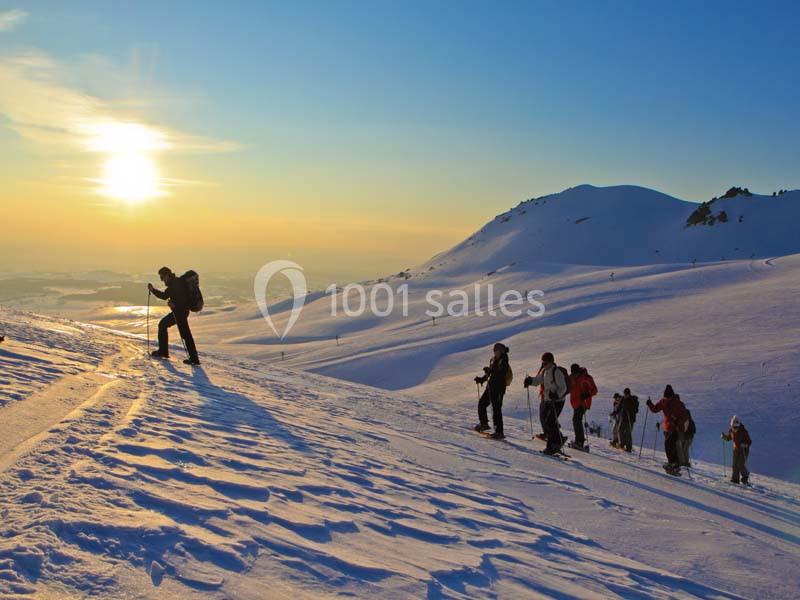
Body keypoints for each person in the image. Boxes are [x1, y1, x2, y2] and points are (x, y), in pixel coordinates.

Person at [148, 266, 200, 365]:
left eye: (162, 277)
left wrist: (153, 290)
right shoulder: (175, 282)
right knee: (168, 326)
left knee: (184, 334)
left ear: (167, 275)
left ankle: (193, 358)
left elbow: (165, 296)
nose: (162, 280)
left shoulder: (174, 284)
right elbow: (168, 296)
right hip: (180, 312)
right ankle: (193, 358)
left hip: (180, 312)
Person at [524, 352, 568, 454]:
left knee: (550, 421)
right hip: (548, 399)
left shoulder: (556, 372)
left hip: (558, 401)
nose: (544, 365)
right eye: (543, 363)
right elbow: (538, 380)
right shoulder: (544, 371)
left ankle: (553, 446)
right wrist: (530, 381)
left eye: (546, 363)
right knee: (546, 420)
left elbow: (563, 387)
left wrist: (556, 395)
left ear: (551, 362)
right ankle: (556, 442)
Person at [646, 385, 688, 475]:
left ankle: (672, 463)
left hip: (677, 428)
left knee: (668, 444)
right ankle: (675, 465)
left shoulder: (678, 403)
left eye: (668, 397)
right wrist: (649, 404)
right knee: (671, 446)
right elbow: (655, 409)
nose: (667, 399)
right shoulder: (663, 401)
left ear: (672, 396)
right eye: (666, 397)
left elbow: (685, 416)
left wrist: (677, 422)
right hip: (667, 428)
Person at [474, 343, 510, 440]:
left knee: (496, 409)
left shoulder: (504, 360)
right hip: (491, 386)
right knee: (482, 403)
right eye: (493, 350)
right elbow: (491, 374)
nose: (494, 351)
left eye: (495, 350)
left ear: (500, 350)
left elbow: (501, 373)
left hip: (498, 388)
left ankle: (499, 432)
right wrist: (482, 379)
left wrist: (490, 371)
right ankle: (484, 424)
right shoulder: (493, 359)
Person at [568, 364, 597, 451]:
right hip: (575, 403)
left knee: (577, 420)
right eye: (573, 373)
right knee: (576, 420)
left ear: (579, 371)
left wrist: (587, 394)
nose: (574, 374)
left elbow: (594, 390)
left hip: (583, 403)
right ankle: (579, 441)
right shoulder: (572, 377)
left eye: (576, 373)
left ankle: (579, 441)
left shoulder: (586, 378)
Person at [722, 416, 751, 484]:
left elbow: (749, 441)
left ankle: (745, 476)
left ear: (738, 425)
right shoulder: (731, 430)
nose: (735, 428)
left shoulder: (743, 431)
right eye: (733, 427)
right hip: (736, 449)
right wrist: (724, 437)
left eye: (736, 427)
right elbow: (729, 438)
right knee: (734, 464)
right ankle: (735, 479)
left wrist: (745, 444)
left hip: (744, 450)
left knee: (740, 464)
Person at [617, 388, 639, 452]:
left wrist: (629, 409)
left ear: (629, 394)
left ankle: (629, 447)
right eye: (624, 394)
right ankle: (621, 444)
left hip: (630, 419)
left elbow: (636, 410)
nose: (625, 395)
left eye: (626, 394)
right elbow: (619, 407)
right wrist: (615, 412)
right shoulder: (623, 399)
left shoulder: (633, 400)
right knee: (620, 430)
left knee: (628, 433)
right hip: (624, 418)